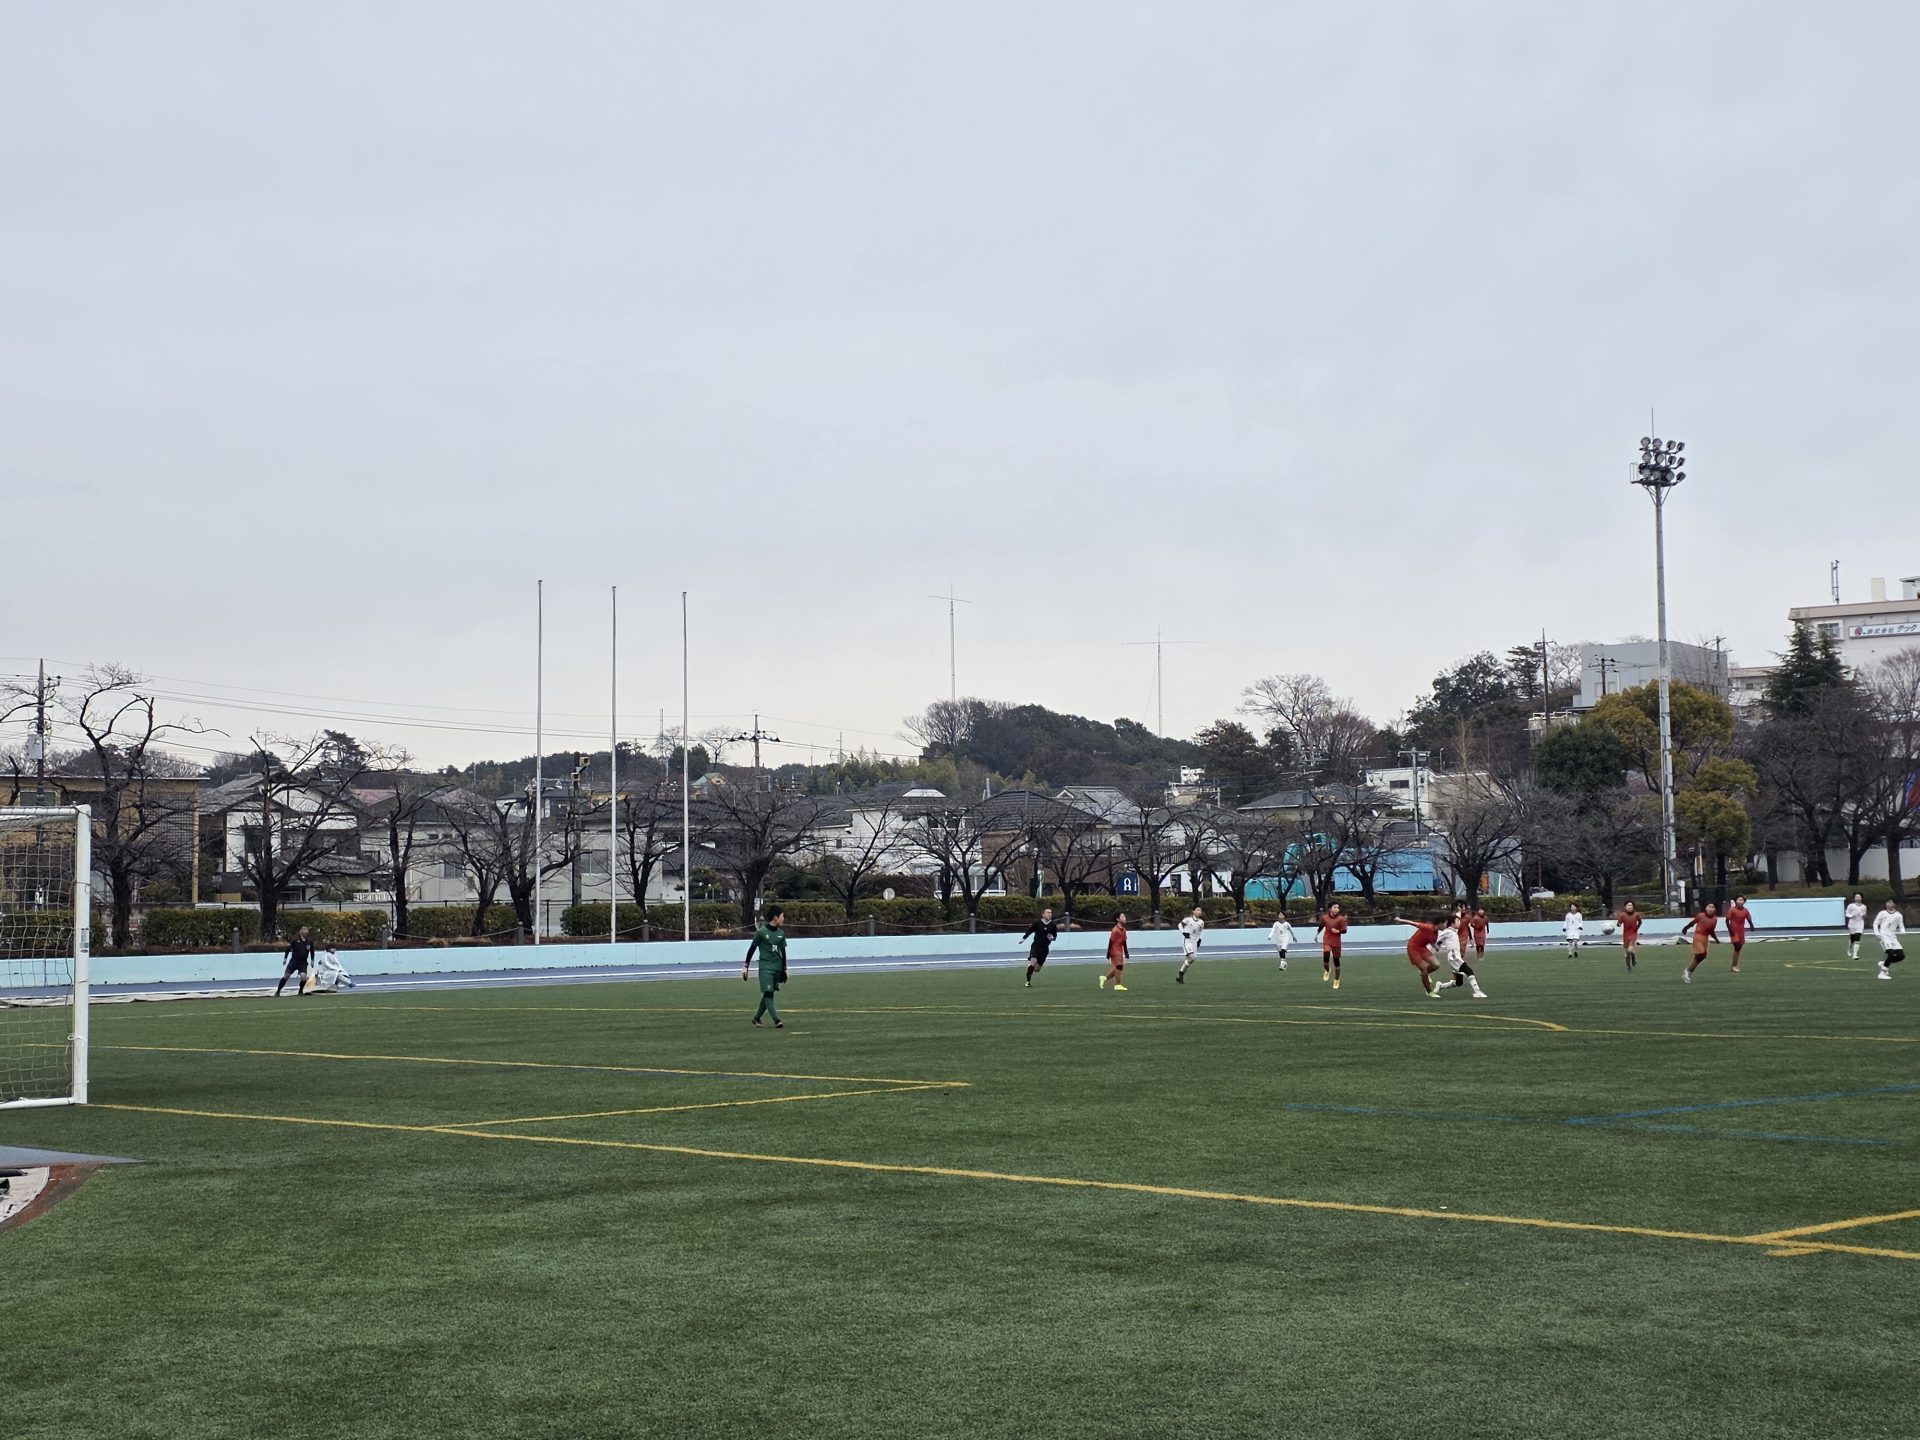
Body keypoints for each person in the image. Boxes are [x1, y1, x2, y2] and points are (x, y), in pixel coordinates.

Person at [742, 906, 788, 1028]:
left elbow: (783, 952)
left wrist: (784, 969)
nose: (783, 918)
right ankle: (777, 1020)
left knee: (769, 993)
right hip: (765, 968)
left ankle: (756, 1018)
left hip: (777, 968)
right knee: (768, 994)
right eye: (782, 916)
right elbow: (752, 948)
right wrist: (746, 966)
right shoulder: (761, 932)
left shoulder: (781, 934)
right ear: (775, 917)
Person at [1432, 912, 1489, 999]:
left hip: (1455, 957)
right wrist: (1436, 946)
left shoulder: (1453, 931)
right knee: (1469, 971)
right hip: (1454, 957)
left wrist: (1458, 912)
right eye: (1458, 921)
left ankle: (1440, 986)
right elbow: (1435, 940)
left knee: (1459, 982)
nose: (1460, 922)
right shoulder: (1447, 931)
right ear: (1452, 923)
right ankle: (1477, 992)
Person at [1393, 915, 1445, 996]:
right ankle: (1429, 991)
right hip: (1413, 947)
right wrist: (1400, 920)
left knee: (1436, 965)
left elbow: (1432, 943)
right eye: (1445, 923)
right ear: (1440, 923)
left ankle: (1423, 974)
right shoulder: (1428, 927)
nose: (1446, 925)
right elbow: (1413, 923)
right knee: (1424, 969)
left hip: (1422, 948)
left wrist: (1436, 947)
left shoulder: (1436, 933)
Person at [1020, 906, 1061, 988]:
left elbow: (1055, 936)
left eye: (1050, 913)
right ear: (1043, 914)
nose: (1050, 914)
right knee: (1033, 963)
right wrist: (1023, 938)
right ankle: (1028, 981)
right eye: (1048, 912)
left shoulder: (1053, 925)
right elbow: (1030, 930)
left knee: (1037, 969)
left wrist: (1052, 938)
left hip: (1045, 949)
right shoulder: (1037, 923)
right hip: (1036, 946)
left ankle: (1031, 968)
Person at [1680, 903, 1719, 983]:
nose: (1710, 909)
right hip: (1698, 936)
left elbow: (1711, 930)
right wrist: (1685, 928)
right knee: (1701, 953)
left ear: (1715, 909)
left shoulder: (1715, 919)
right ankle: (1687, 971)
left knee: (1702, 956)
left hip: (1705, 938)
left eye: (1712, 907)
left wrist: (1715, 938)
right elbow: (1692, 923)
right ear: (1706, 907)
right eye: (1709, 907)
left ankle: (1688, 971)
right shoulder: (1701, 915)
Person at [275, 926, 316, 998]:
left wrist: (312, 960)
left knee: (303, 977)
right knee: (286, 976)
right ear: (300, 931)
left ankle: (300, 991)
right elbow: (288, 949)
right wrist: (285, 958)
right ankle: (278, 991)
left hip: (303, 962)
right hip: (294, 961)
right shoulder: (295, 940)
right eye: (304, 930)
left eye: (306, 930)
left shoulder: (309, 941)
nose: (305, 932)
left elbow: (312, 951)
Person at [1873, 899, 1906, 980]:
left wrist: (1903, 932)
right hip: (1884, 937)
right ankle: (1882, 973)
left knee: (1901, 956)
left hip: (1893, 938)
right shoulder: (1882, 913)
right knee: (1891, 954)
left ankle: (1883, 963)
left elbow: (1901, 925)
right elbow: (1875, 923)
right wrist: (1877, 934)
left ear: (1894, 904)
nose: (1888, 904)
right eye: (1887, 902)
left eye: (1890, 902)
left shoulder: (1898, 915)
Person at [1319, 903, 1348, 989]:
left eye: (1338, 908)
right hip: (1327, 940)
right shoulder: (1324, 917)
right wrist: (1316, 934)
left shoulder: (1341, 919)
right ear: (1330, 909)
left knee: (1336, 962)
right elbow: (1321, 925)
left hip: (1336, 942)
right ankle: (1327, 970)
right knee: (1326, 955)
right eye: (1334, 907)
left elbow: (1344, 930)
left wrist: (1338, 931)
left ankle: (1336, 980)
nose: (1336, 909)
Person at [1725, 896, 1756, 972]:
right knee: (1737, 945)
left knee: (1739, 948)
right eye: (1739, 900)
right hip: (1733, 931)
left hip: (1741, 931)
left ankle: (1734, 965)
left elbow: (1748, 918)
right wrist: (1729, 929)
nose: (1740, 901)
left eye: (1742, 900)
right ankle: (1734, 966)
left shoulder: (1745, 910)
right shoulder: (1732, 910)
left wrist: (1752, 926)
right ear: (1735, 901)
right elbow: (1727, 920)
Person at [1100, 913, 1130, 991]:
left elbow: (1124, 941)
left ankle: (1104, 978)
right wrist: (1108, 953)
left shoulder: (1124, 930)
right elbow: (1111, 941)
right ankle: (1117, 985)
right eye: (1122, 916)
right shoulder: (1115, 930)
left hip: (1120, 950)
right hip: (1114, 950)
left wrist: (1126, 952)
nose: (1124, 918)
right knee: (1119, 966)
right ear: (1117, 919)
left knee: (1119, 967)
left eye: (1124, 916)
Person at [1175, 906, 1205, 983]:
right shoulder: (1188, 919)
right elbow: (1180, 925)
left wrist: (1199, 940)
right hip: (1187, 941)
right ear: (1193, 911)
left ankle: (1180, 977)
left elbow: (1199, 932)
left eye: (1200, 910)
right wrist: (1183, 932)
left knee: (1188, 960)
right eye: (1197, 910)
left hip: (1194, 942)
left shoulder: (1201, 922)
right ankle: (1180, 973)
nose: (1199, 912)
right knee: (1193, 957)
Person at [1617, 901, 1642, 972]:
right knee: (1627, 953)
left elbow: (1640, 922)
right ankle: (1629, 967)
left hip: (1633, 934)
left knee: (1630, 950)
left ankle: (1633, 958)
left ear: (1633, 907)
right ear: (1625, 907)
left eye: (1631, 905)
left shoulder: (1636, 914)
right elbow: (1619, 924)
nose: (1629, 907)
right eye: (1628, 905)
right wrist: (1617, 924)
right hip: (1625, 935)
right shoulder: (1623, 915)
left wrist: (1636, 928)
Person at [1846, 893, 1870, 959]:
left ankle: (1855, 955)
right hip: (1852, 923)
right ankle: (1850, 947)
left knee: (1857, 937)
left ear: (1861, 898)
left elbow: (1865, 916)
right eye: (1856, 897)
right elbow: (1847, 914)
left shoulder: (1864, 906)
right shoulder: (1851, 906)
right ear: (1854, 898)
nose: (1857, 898)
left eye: (1859, 897)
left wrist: (1864, 915)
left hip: (1860, 923)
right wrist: (1851, 916)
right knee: (1852, 938)